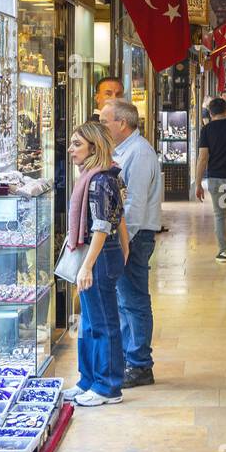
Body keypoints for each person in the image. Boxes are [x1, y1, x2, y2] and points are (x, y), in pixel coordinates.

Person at [64, 121, 129, 407]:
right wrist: (124, 250)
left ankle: (108, 386)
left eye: (77, 144)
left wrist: (88, 265)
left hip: (98, 254)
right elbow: (121, 217)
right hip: (102, 253)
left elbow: (103, 225)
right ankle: (88, 380)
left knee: (102, 322)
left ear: (94, 146)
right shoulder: (97, 176)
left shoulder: (100, 180)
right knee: (89, 323)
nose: (70, 149)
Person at [101, 98, 162, 387]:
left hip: (134, 237)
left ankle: (139, 364)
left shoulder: (139, 153)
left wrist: (125, 242)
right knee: (125, 300)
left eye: (105, 122)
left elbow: (134, 204)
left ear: (122, 124)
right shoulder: (125, 151)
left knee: (134, 300)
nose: (102, 127)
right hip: (127, 236)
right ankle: (130, 359)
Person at [195, 97, 226, 263]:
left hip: (216, 178)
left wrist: (198, 183)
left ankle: (223, 251)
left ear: (210, 113)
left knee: (219, 215)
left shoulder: (207, 129)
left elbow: (202, 158)